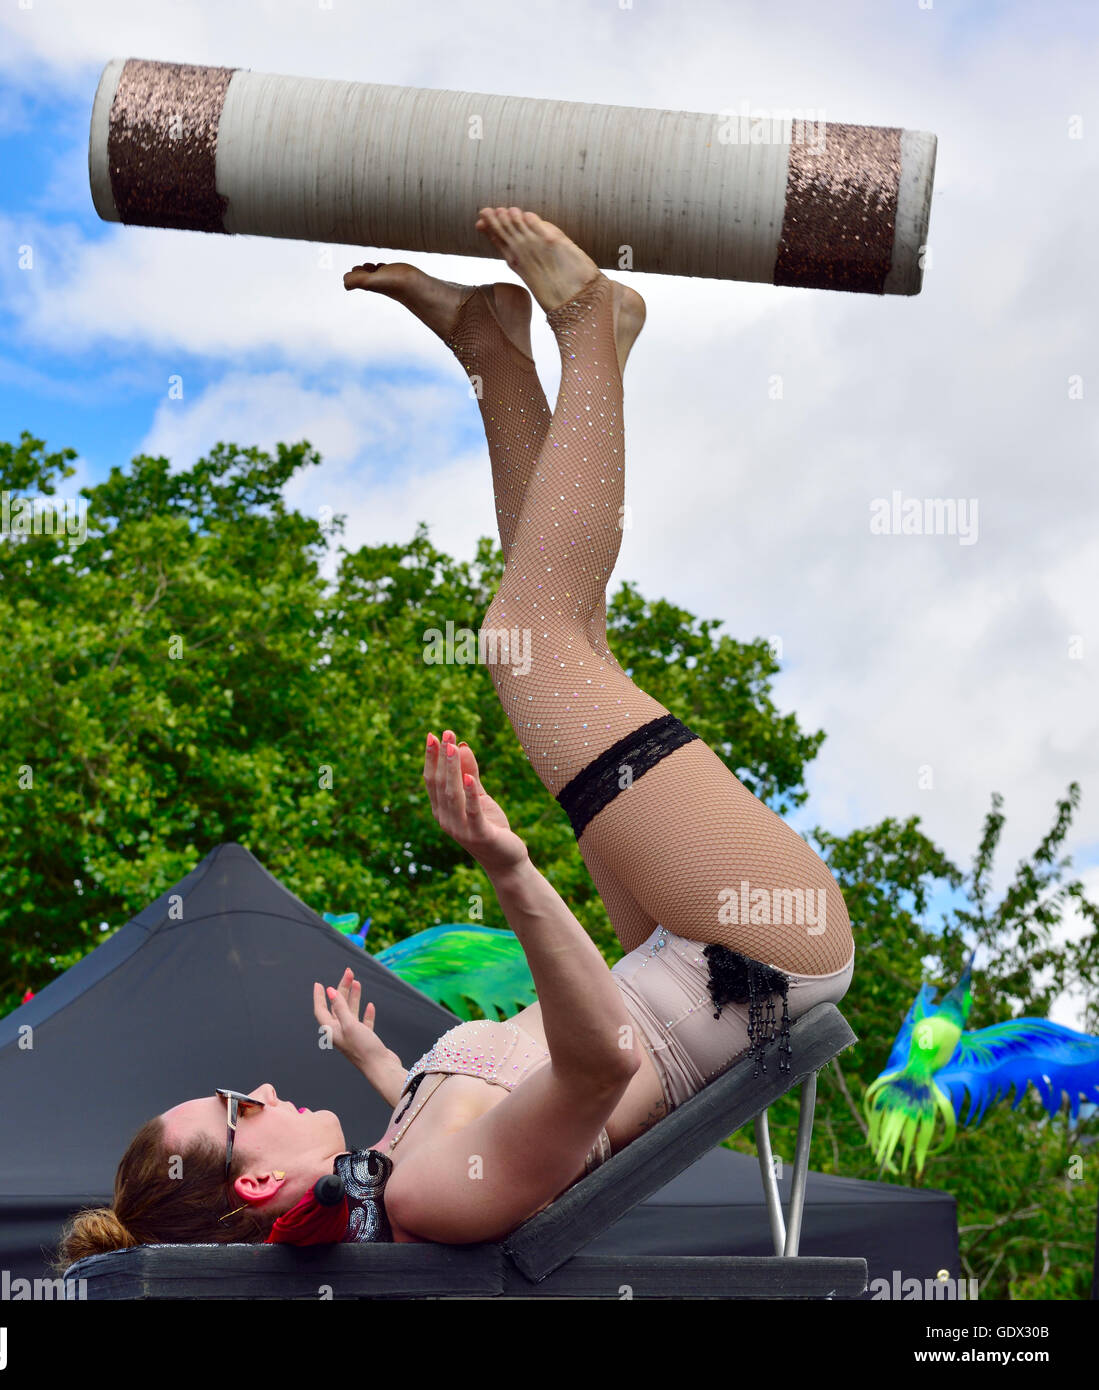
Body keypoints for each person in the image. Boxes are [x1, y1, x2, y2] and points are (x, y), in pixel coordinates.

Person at [57, 208, 854, 1264]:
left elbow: (468, 1116)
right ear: (252, 1178)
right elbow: (600, 1060)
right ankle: (586, 325)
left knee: (562, 640)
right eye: (230, 1108)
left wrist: (373, 1055)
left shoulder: (399, 1176)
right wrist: (507, 864)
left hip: (678, 958)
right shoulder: (434, 1194)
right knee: (528, 641)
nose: (249, 1087)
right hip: (750, 958)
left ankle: (494, 348)